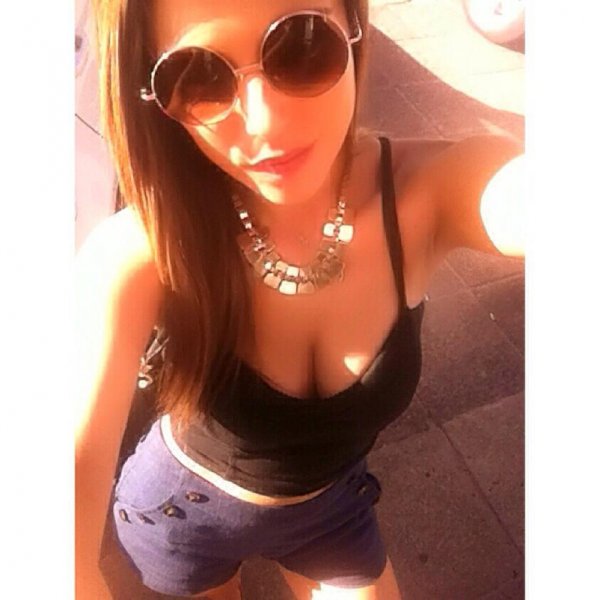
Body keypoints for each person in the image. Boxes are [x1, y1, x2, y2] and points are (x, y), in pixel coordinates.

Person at [75, 0, 524, 598]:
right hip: (183, 513)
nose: (264, 122)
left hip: (329, 509)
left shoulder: (430, 190)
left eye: (302, 43)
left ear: (354, 25)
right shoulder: (142, 249)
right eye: (197, 77)